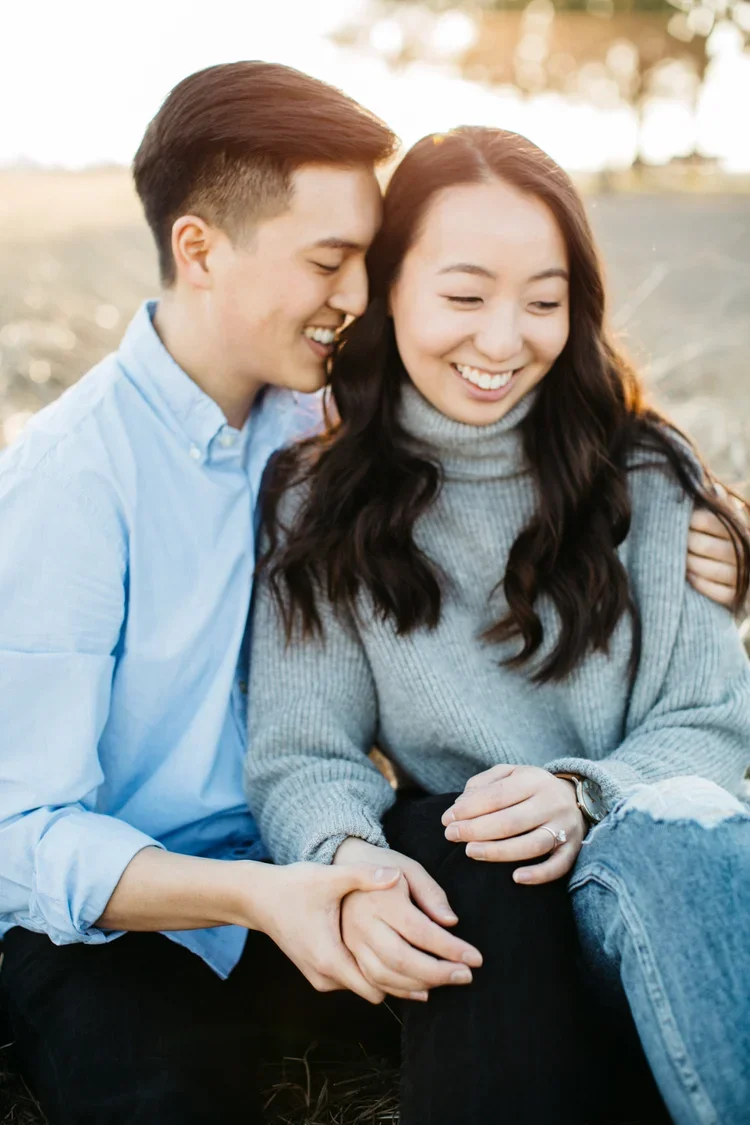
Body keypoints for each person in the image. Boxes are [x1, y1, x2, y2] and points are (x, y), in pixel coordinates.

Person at [246, 126, 750, 1125]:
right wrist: (346, 858)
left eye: (545, 301)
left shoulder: (646, 475)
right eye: (465, 296)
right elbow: (304, 754)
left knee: (679, 836)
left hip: (640, 884)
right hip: (474, 899)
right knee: (465, 844)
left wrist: (581, 793)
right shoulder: (320, 500)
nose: (504, 339)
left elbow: (710, 727)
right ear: (390, 290)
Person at [0, 61, 430, 1125]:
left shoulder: (316, 424)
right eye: (329, 261)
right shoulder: (71, 478)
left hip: (303, 856)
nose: (358, 299)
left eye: (366, 262)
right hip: (110, 926)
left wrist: (708, 521)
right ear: (199, 248)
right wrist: (257, 899)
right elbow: (20, 831)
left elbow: (523, 467)